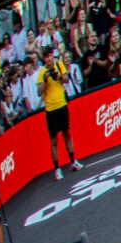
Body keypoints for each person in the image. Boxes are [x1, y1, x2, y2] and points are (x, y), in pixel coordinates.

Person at [37, 49, 77, 180]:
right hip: (51, 109)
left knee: (67, 134)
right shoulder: (42, 73)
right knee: (54, 140)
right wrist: (45, 79)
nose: (49, 59)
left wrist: (59, 76)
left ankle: (73, 161)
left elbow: (66, 79)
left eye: (50, 56)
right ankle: (57, 169)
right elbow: (39, 92)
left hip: (62, 105)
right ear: (44, 60)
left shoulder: (59, 65)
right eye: (47, 57)